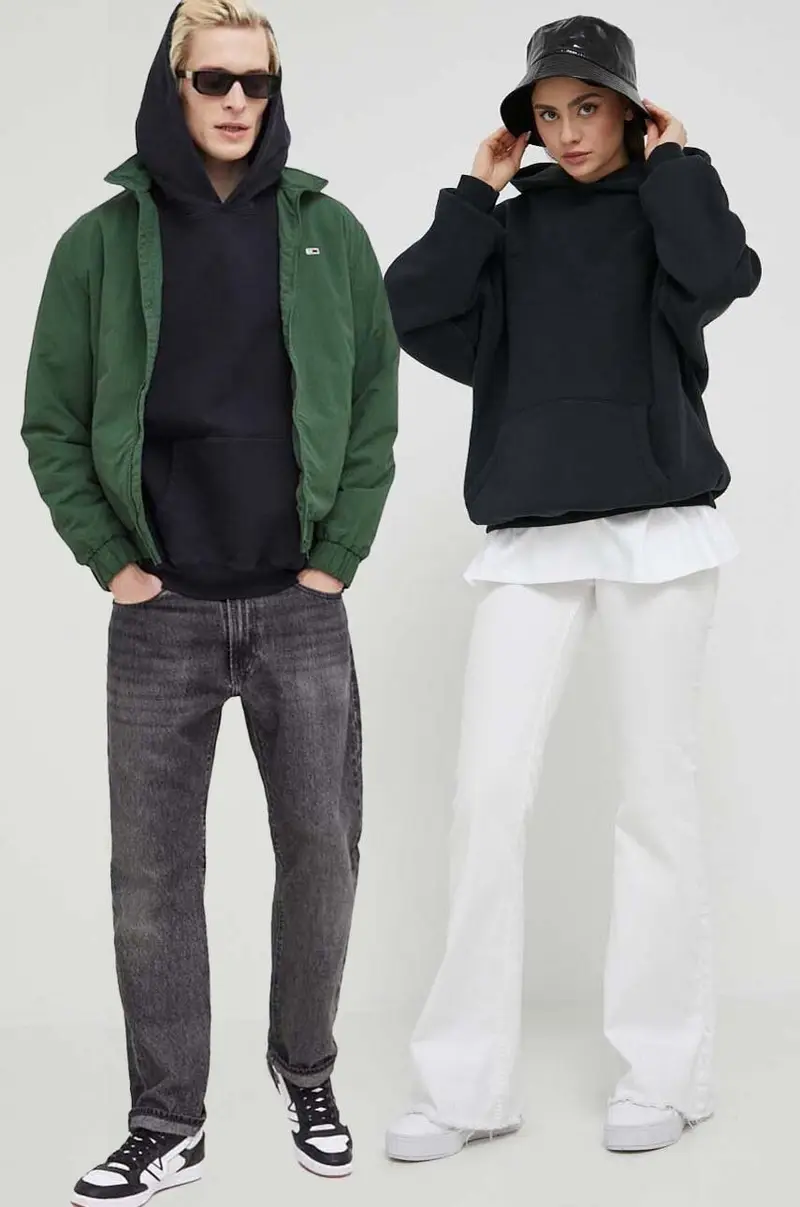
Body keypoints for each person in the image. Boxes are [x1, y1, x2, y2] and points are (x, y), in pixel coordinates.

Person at [22, 0, 398, 1197]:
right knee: (152, 882)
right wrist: (109, 561)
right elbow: (51, 422)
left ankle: (306, 1067)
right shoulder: (99, 244)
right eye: (215, 80)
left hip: (298, 604)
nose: (238, 101)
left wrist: (337, 554)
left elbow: (374, 407)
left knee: (322, 854)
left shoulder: (328, 234)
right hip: (161, 615)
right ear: (172, 88)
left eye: (256, 83)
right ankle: (166, 1120)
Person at [383, 14, 760, 1163]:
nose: (565, 132)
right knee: (485, 798)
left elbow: (721, 272)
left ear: (629, 112)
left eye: (586, 108)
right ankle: (464, 1086)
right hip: (530, 536)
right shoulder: (507, 229)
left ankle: (667, 1072)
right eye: (546, 115)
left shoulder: (663, 209)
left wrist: (677, 163)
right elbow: (412, 307)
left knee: (653, 802)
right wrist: (472, 187)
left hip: (655, 529)